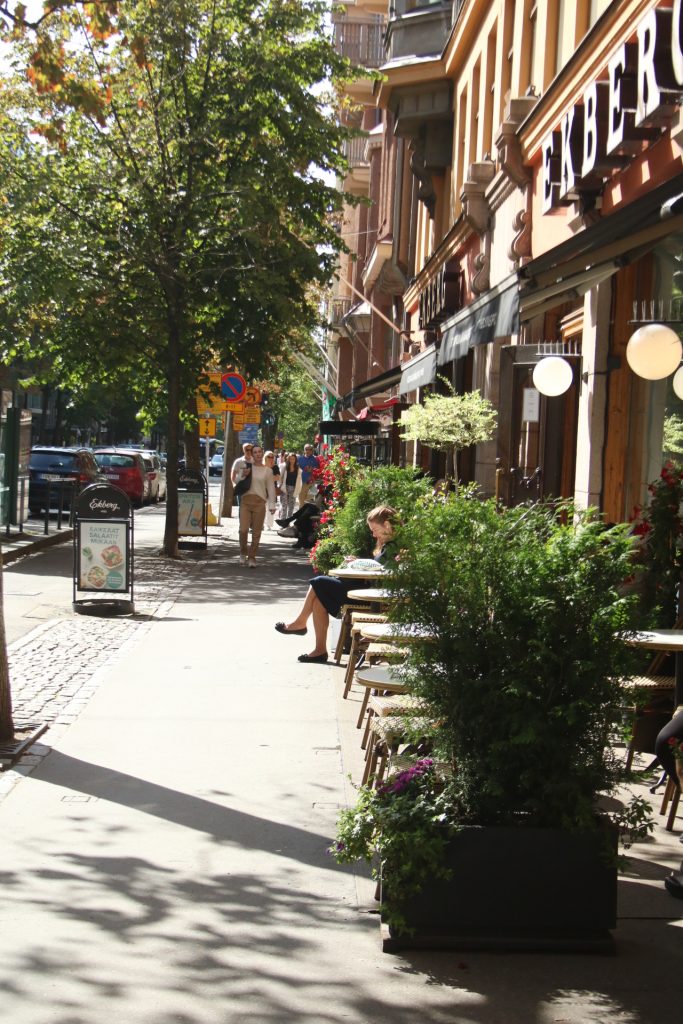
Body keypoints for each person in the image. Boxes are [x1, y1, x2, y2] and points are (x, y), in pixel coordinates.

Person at [274, 505, 398, 663]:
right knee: (319, 601)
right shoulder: (387, 544)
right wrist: (359, 563)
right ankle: (319, 650)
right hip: (368, 592)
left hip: (374, 597)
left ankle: (301, 622)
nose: (373, 534)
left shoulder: (395, 547)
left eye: (375, 529)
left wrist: (364, 565)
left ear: (387, 525)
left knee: (318, 582)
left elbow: (384, 573)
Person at [238, 444, 277, 567]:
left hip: (260, 503)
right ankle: (243, 552)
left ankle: (252, 557)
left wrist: (272, 504)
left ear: (262, 453)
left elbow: (271, 488)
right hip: (245, 501)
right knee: (243, 530)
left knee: (256, 532)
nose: (258, 454)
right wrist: (243, 474)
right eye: (255, 452)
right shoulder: (246, 466)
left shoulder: (268, 471)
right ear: (252, 454)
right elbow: (237, 481)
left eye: (260, 452)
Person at [279, 452, 302, 519]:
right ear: (288, 459)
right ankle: (283, 520)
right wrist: (280, 485)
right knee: (284, 505)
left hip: (293, 488)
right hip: (284, 488)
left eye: (293, 459)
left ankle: (289, 520)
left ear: (295, 460)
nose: (292, 460)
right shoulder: (284, 466)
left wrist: (298, 489)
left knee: (291, 506)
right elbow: (280, 477)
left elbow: (299, 480)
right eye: (290, 459)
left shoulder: (298, 468)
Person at [264, 451, 281, 531]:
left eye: (272, 457)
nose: (270, 458)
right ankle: (261, 524)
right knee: (262, 508)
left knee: (271, 507)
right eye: (269, 457)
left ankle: (269, 525)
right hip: (262, 489)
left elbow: (278, 477)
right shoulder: (262, 466)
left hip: (272, 489)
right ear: (265, 457)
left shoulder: (275, 467)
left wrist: (268, 478)